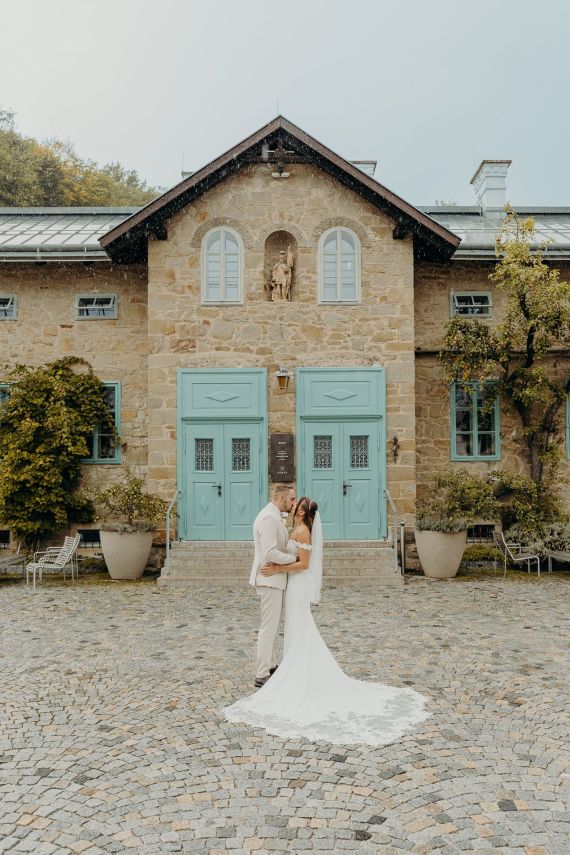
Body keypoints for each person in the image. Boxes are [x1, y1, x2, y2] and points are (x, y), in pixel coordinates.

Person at [226, 497, 429, 746]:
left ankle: (294, 671)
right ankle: (289, 668)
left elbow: (304, 564)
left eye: (296, 506)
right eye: (292, 503)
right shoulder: (296, 528)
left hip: (296, 586)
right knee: (295, 628)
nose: (293, 507)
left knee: (300, 627)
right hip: (291, 587)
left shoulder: (301, 531)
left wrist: (279, 569)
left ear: (302, 513)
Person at [248, 485, 300, 688]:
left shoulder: (274, 515)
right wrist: (294, 558)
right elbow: (269, 552)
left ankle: (270, 665)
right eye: (292, 499)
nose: (294, 503)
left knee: (271, 626)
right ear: (281, 497)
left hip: (273, 579)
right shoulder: (269, 518)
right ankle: (261, 673)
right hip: (269, 578)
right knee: (268, 627)